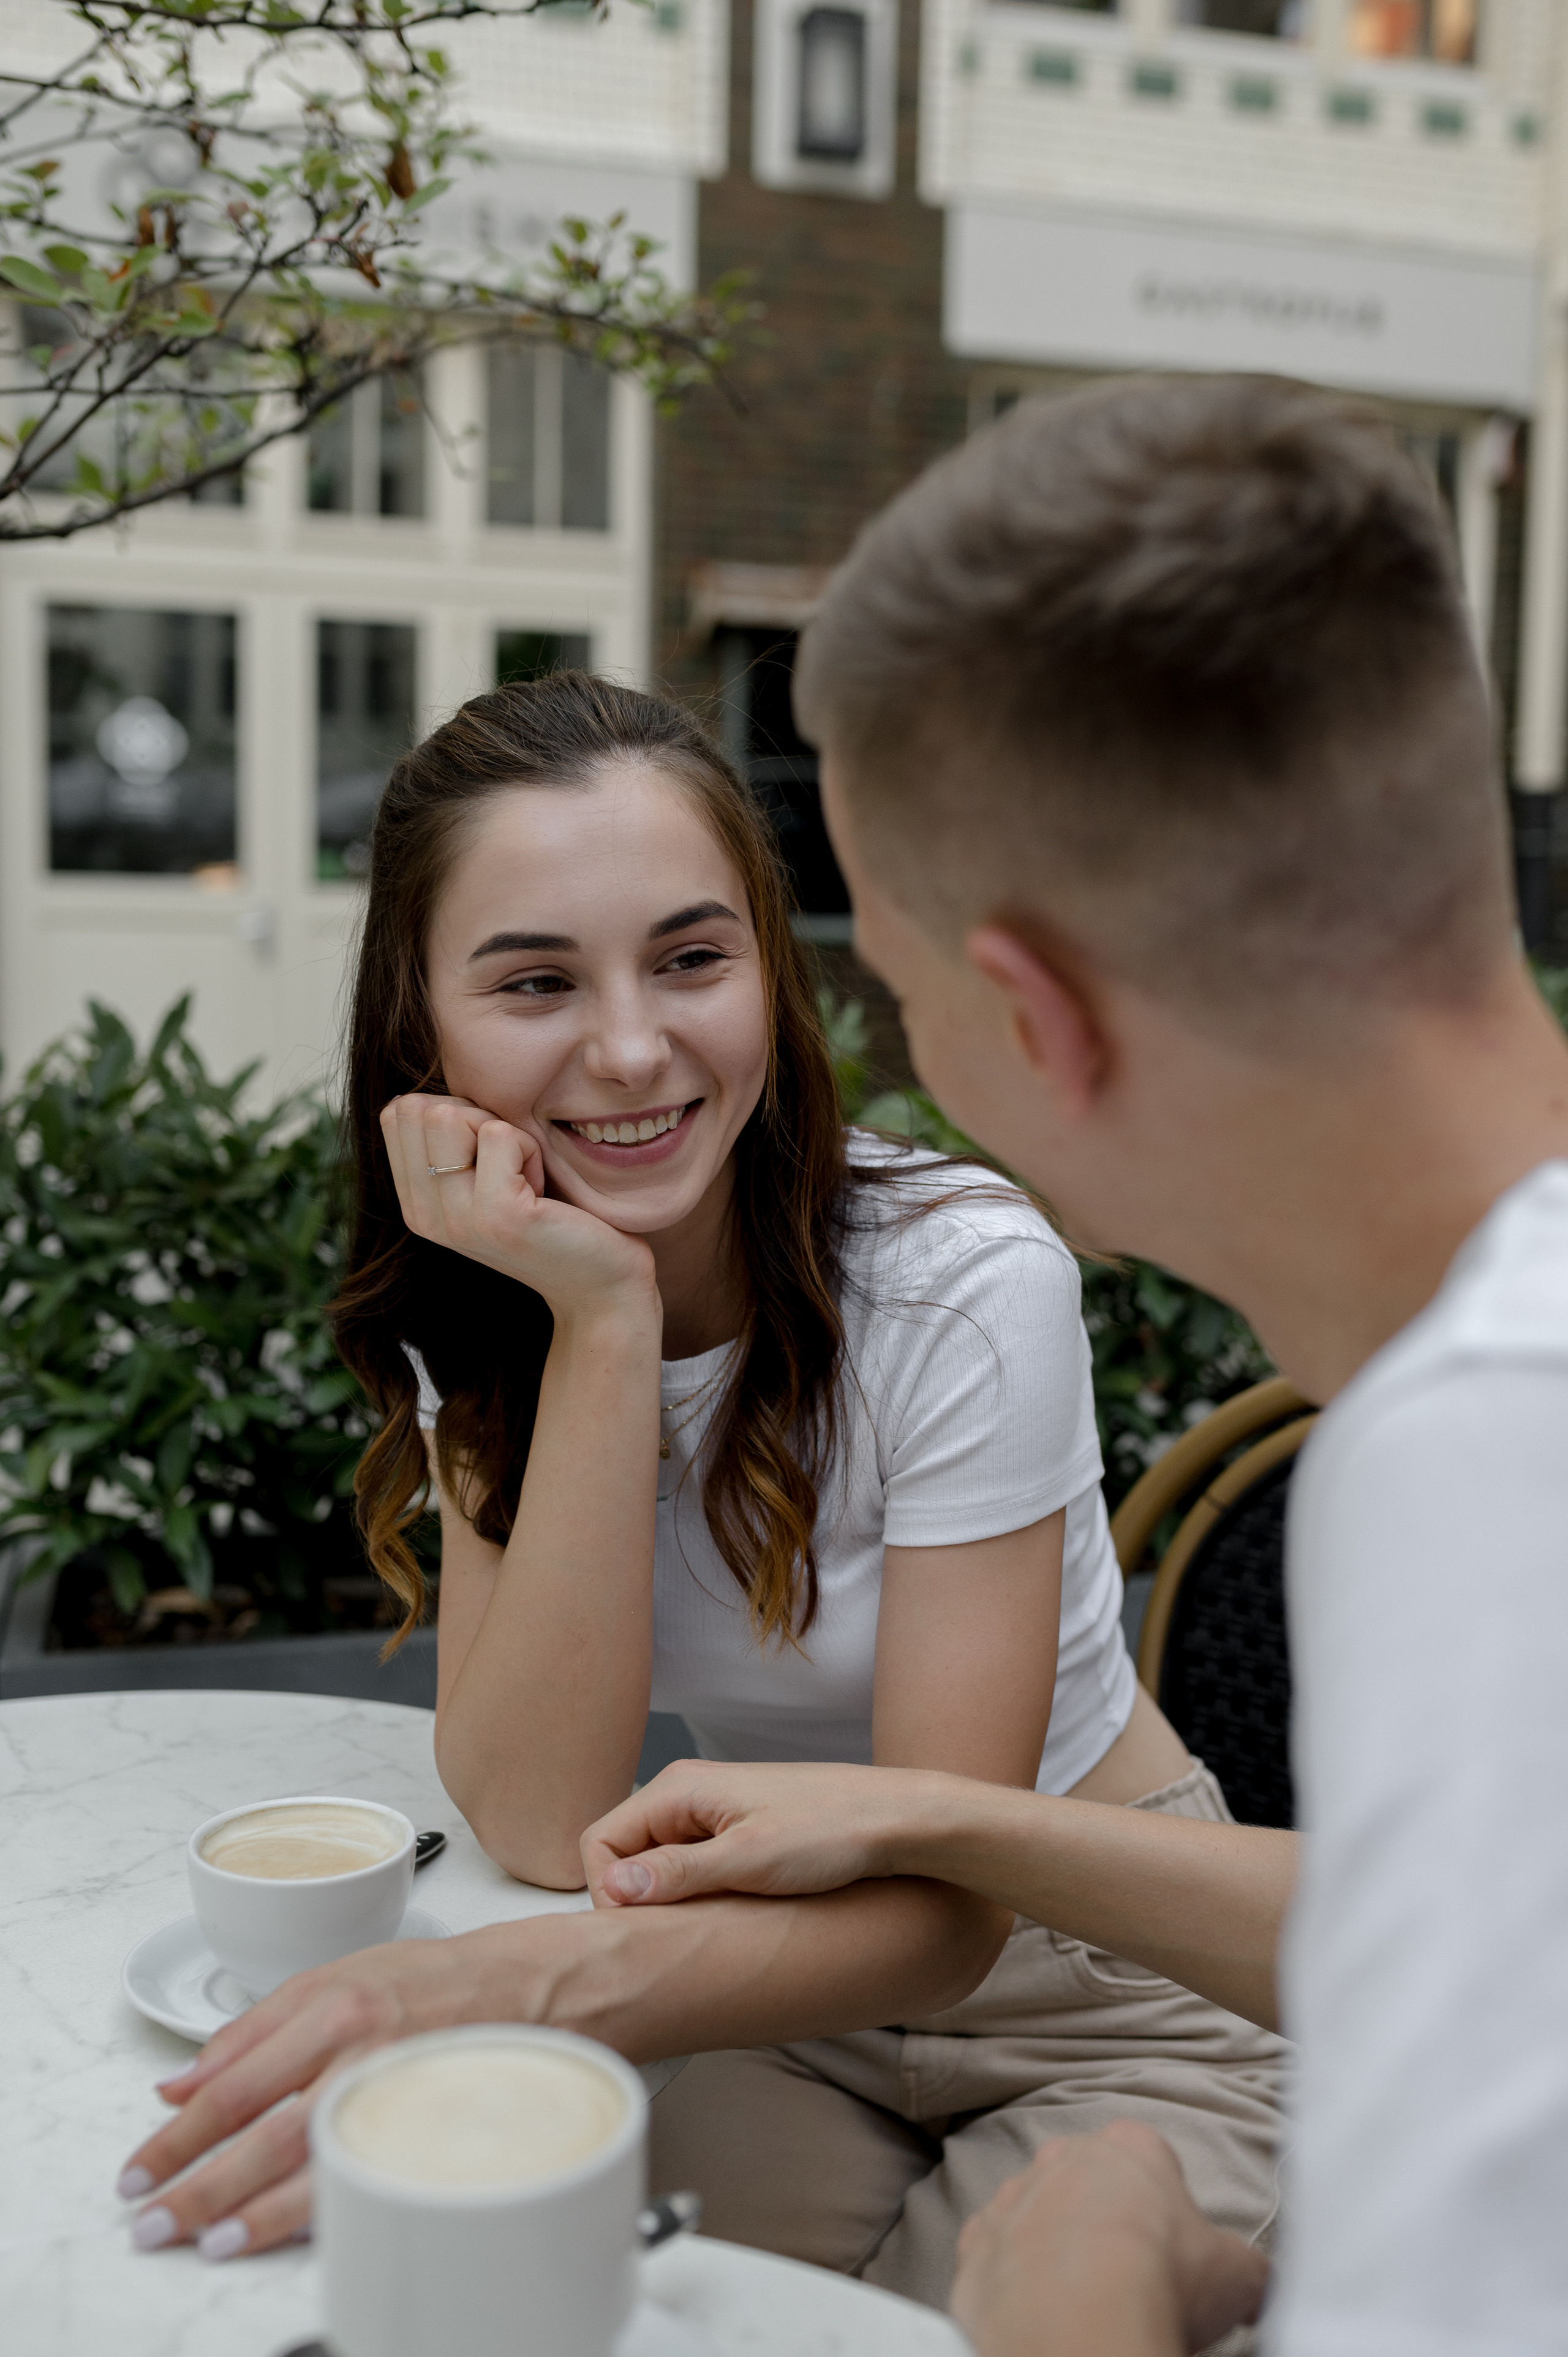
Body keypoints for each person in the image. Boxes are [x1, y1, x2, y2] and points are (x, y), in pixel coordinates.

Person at [577, 375, 1568, 2356]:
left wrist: (1088, 2297)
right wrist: (947, 1824)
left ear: (1033, 1014)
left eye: (908, 993)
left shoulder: (1484, 1460)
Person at [114, 672, 1285, 2286]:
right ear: (421, 1023)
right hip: (788, 1998)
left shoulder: (959, 1282)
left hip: (1100, 1982)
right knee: (601, 2304)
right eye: (534, 982)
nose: (628, 1046)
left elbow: (948, 1909)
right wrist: (600, 1317)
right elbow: (538, 1812)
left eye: (691, 958)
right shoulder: (499, 1289)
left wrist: (508, 1990)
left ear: (766, 970)